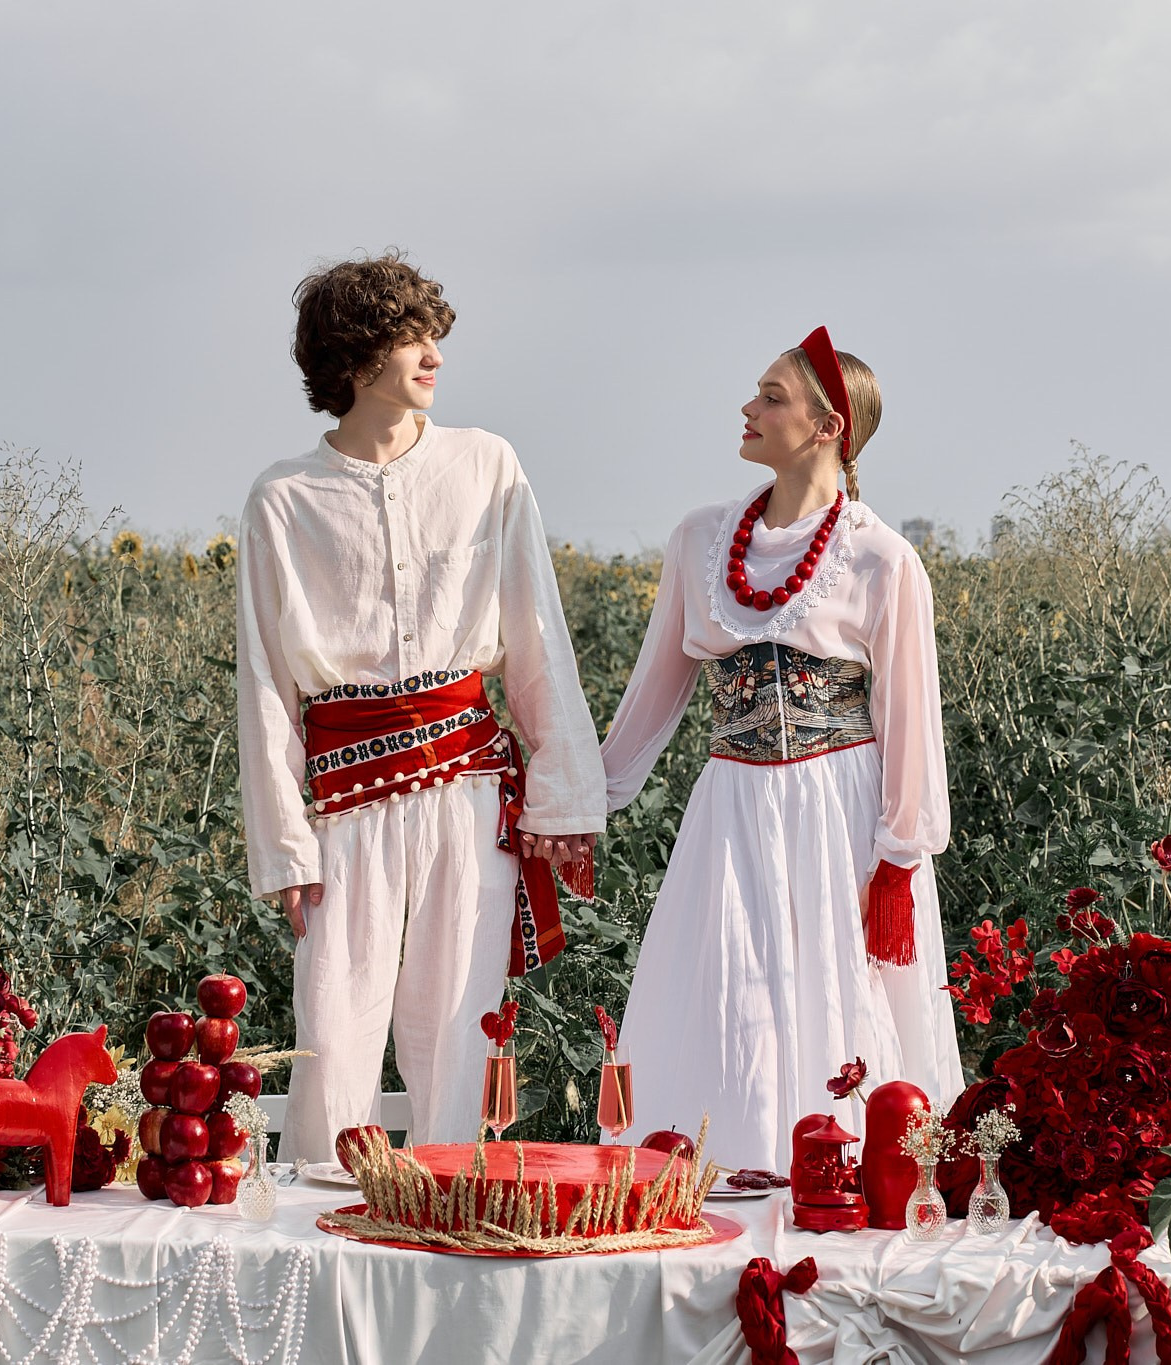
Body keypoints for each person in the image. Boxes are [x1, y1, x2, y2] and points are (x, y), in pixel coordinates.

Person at [236, 253, 606, 1163]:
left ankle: (449, 1232)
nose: (433, 352)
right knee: (333, 1024)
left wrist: (560, 799)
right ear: (355, 360)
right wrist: (285, 846)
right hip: (346, 804)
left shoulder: (487, 464)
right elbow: (265, 687)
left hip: (468, 792)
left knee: (459, 1026)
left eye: (433, 330)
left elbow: (535, 637)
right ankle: (316, 1249)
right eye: (408, 336)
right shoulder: (283, 499)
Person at [600, 327, 962, 1174]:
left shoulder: (882, 558)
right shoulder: (699, 541)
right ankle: (719, 1186)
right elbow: (653, 697)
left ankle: (836, 1196)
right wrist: (584, 796)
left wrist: (900, 859)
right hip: (731, 808)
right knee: (728, 1000)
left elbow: (911, 717)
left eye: (770, 395)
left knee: (838, 1003)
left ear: (828, 424)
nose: (747, 407)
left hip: (839, 815)